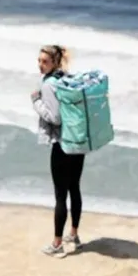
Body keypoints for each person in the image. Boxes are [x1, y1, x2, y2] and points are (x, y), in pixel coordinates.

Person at [31, 44, 85, 256]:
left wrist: (36, 102)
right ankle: (74, 235)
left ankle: (57, 244)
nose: (40, 65)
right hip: (77, 143)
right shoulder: (66, 78)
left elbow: (55, 118)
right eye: (39, 60)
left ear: (55, 63)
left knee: (60, 196)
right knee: (75, 189)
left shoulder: (49, 85)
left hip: (62, 146)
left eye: (45, 61)